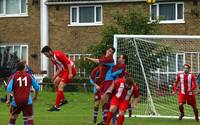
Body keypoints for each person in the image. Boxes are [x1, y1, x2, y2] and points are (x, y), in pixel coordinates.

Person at [41, 46, 76, 111]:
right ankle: (63, 100)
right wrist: (54, 76)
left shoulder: (58, 54)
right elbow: (59, 68)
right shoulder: (52, 58)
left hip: (70, 70)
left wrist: (70, 73)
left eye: (46, 54)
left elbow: (68, 63)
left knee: (60, 86)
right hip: (64, 71)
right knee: (55, 82)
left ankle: (56, 106)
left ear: (49, 51)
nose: (46, 56)